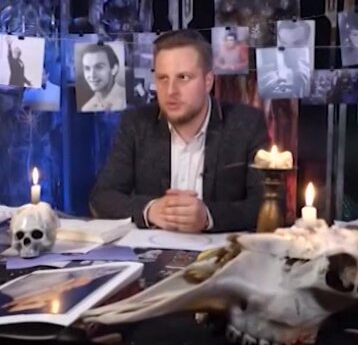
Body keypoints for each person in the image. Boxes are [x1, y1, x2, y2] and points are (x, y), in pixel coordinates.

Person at [89, 29, 270, 233]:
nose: (171, 91)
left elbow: (268, 204)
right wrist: (150, 210)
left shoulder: (246, 125)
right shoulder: (136, 124)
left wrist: (208, 216)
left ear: (208, 82)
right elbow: (102, 197)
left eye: (183, 77)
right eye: (163, 78)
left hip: (220, 251)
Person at [80, 43, 127, 112]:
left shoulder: (127, 101)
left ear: (114, 69)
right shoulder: (87, 108)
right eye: (87, 68)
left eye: (99, 67)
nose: (92, 75)